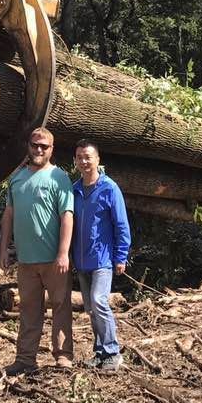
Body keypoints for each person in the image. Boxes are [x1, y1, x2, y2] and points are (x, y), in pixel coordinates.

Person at [0, 126, 75, 375]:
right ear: (28, 146)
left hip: (54, 260)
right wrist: (4, 250)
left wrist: (63, 253)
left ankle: (63, 356)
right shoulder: (17, 179)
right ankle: (25, 359)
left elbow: (67, 216)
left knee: (60, 307)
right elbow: (8, 215)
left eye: (44, 146)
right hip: (26, 261)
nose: (39, 150)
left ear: (52, 149)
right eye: (35, 145)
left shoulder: (59, 178)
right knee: (29, 310)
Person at [70, 140, 131, 372]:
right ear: (75, 161)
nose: (84, 161)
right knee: (91, 308)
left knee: (99, 301)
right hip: (82, 260)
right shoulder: (74, 190)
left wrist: (121, 256)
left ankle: (113, 352)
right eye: (79, 157)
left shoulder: (109, 188)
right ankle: (100, 352)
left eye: (88, 157)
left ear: (97, 159)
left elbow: (121, 225)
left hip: (103, 260)